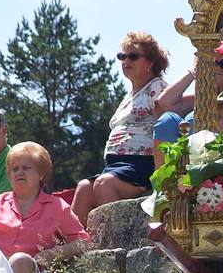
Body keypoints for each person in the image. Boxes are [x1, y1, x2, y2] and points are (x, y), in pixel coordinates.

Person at [71, 31, 169, 227]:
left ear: (150, 62)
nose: (126, 61)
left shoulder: (157, 87)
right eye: (121, 56)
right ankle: (68, 250)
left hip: (140, 163)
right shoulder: (130, 95)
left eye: (133, 56)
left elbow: (167, 113)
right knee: (83, 188)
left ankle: (117, 244)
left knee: (103, 184)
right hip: (116, 164)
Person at [0, 141, 90, 273]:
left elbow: (83, 242)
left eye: (26, 168)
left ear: (41, 174)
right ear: (9, 175)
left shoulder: (57, 207)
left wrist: (51, 254)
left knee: (20, 260)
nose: (19, 172)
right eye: (14, 169)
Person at [152, 39, 223, 165]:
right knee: (167, 120)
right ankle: (164, 182)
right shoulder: (203, 98)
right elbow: (165, 102)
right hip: (191, 163)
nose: (218, 68)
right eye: (212, 63)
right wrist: (194, 71)